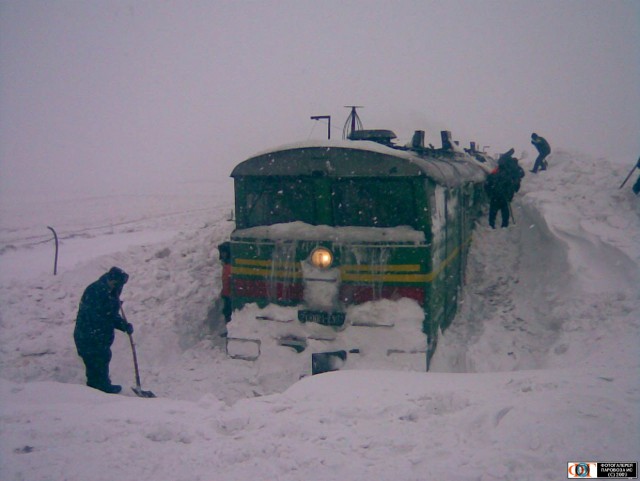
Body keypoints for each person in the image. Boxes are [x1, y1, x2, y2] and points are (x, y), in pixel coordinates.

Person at [74, 267, 133, 394]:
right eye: (118, 284)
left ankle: (102, 387)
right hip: (88, 336)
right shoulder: (95, 291)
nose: (119, 288)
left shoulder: (111, 292)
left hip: (99, 337)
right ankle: (97, 391)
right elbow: (100, 315)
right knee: (95, 361)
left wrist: (124, 325)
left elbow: (111, 315)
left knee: (103, 359)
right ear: (112, 280)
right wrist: (111, 309)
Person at [485, 149, 525, 228]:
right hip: (504, 192)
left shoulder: (499, 169)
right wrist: (511, 193)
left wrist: (489, 192)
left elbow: (489, 181)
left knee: (494, 208)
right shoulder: (513, 171)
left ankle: (491, 224)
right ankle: (504, 225)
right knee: (504, 209)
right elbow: (516, 182)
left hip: (496, 191)